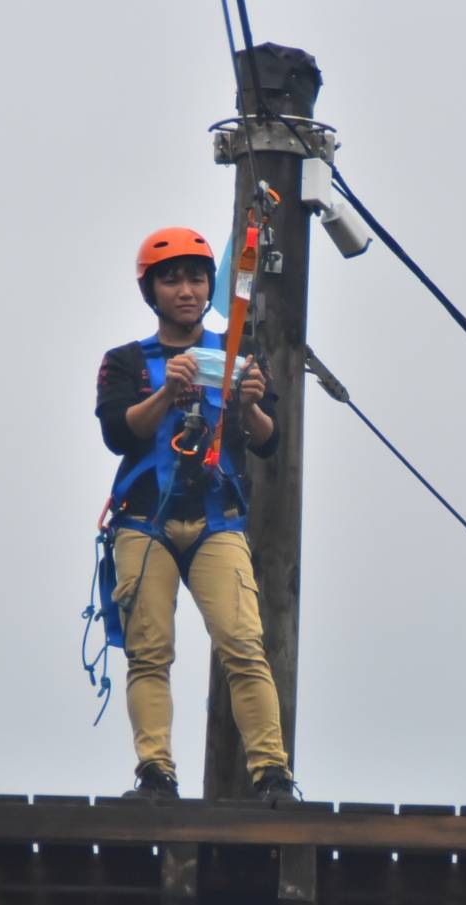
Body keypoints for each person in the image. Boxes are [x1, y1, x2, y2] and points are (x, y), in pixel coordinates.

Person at [93, 226, 295, 804]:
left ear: (210, 286)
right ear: (151, 291)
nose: (186, 289)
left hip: (215, 517)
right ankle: (156, 773)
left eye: (196, 278)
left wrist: (250, 403)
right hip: (144, 519)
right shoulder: (126, 363)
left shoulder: (236, 357)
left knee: (242, 642)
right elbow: (117, 433)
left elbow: (266, 441)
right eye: (171, 279)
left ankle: (273, 774)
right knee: (149, 650)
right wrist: (163, 394)